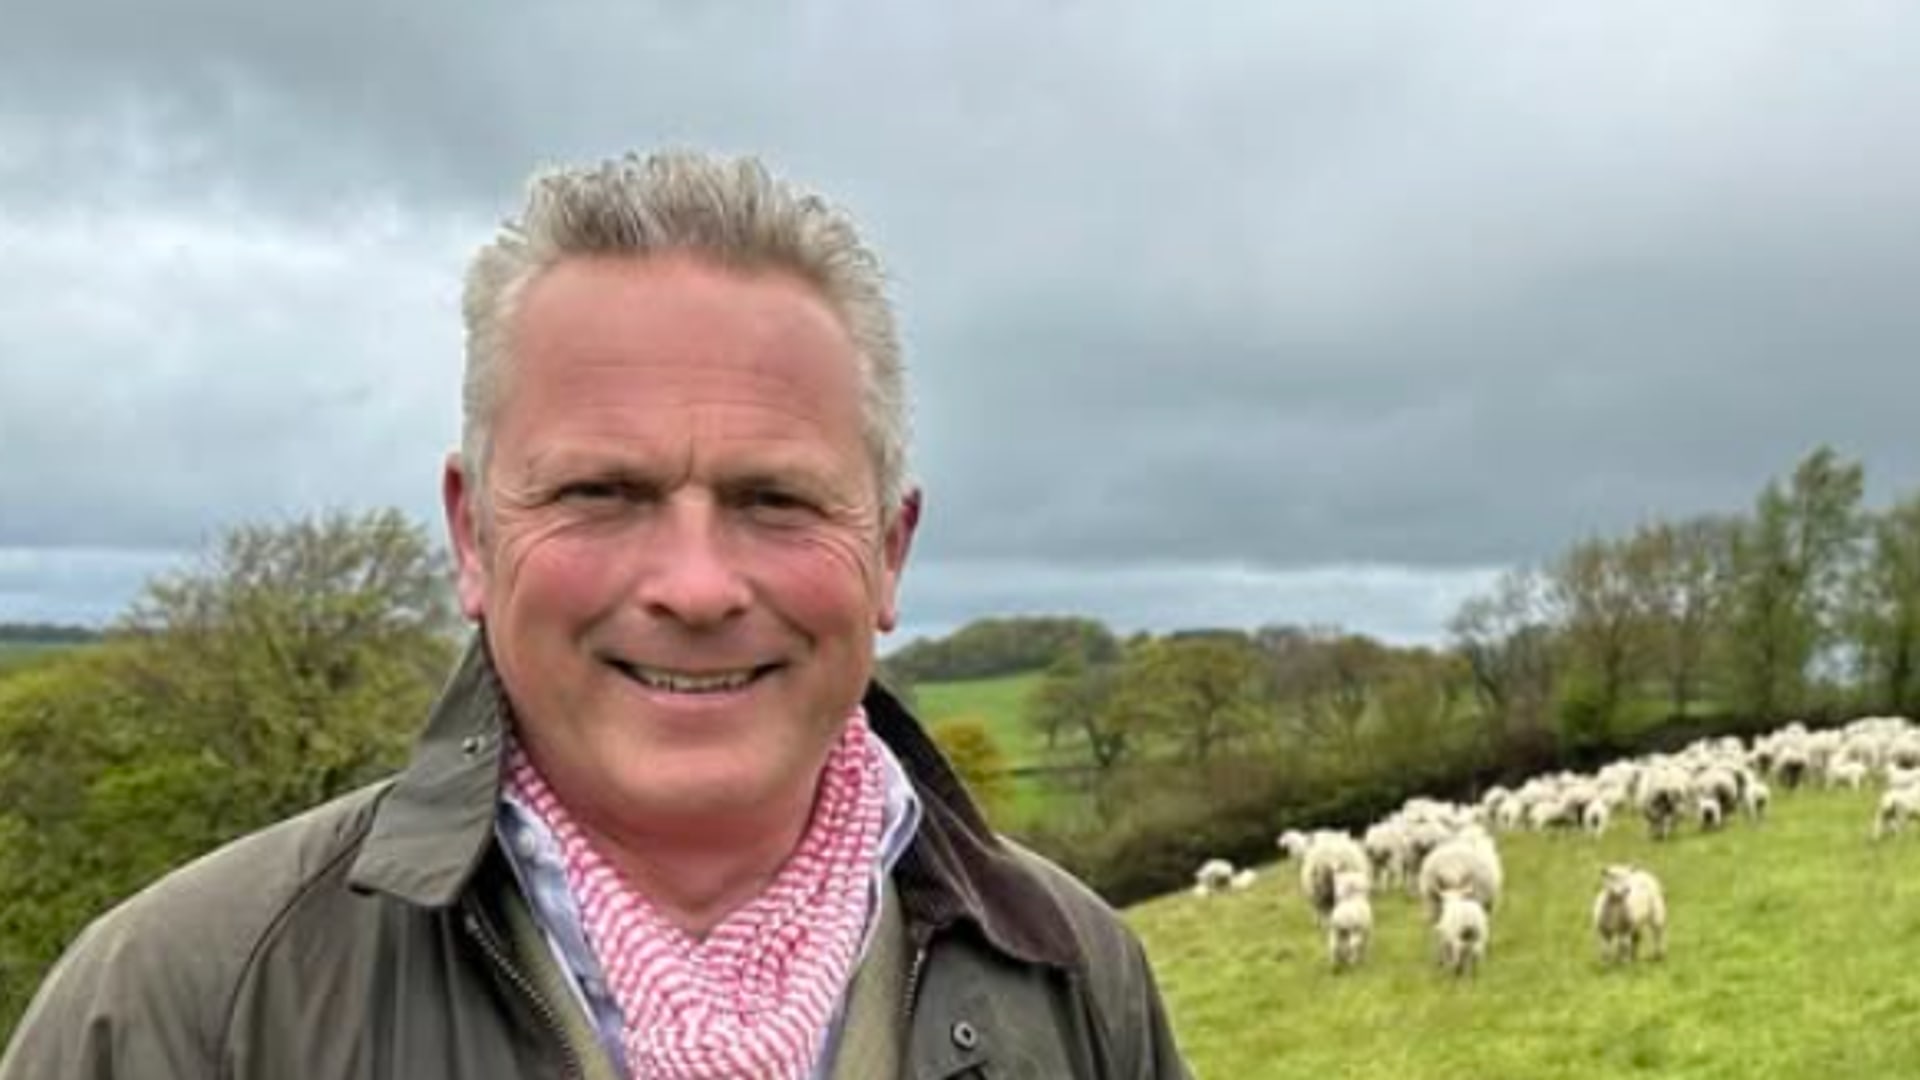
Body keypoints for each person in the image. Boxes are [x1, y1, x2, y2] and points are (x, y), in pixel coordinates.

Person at [1, 150, 1191, 1079]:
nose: (694, 584)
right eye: (600, 493)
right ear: (474, 536)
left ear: (888, 550)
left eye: (775, 499)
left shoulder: (1081, 982)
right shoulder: (179, 1008)